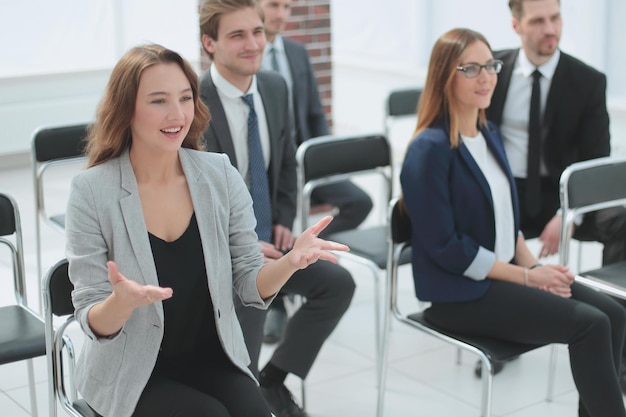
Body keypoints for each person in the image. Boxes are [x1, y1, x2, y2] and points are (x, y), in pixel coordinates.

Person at [64, 43, 348, 417]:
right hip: (133, 371)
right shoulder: (91, 191)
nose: (177, 113)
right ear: (126, 108)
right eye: (158, 101)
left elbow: (249, 280)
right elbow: (90, 317)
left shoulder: (218, 174)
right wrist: (121, 302)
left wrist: (291, 262)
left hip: (211, 356)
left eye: (185, 97)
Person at [400, 27, 626, 417]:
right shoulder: (428, 149)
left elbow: (508, 223)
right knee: (591, 325)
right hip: (460, 294)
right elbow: (448, 249)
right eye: (470, 68)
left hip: (501, 276)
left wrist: (536, 266)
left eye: (490, 65)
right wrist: (527, 278)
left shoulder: (488, 133)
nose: (486, 77)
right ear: (444, 76)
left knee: (616, 313)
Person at [198, 1, 356, 416]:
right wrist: (246, 245)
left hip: (272, 238)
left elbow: (285, 161)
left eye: (258, 31)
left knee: (337, 285)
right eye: (238, 35)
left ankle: (274, 380)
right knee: (239, 371)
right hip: (223, 255)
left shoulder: (273, 86)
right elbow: (195, 202)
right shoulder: (193, 103)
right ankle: (250, 386)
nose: (254, 44)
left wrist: (284, 220)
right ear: (209, 43)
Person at [484, 0, 626, 379]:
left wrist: (568, 213)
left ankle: (616, 343)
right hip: (507, 190)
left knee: (622, 221)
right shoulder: (490, 71)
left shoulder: (588, 80)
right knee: (485, 226)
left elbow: (596, 158)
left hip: (562, 193)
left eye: (556, 18)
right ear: (516, 25)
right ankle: (497, 335)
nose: (550, 29)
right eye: (538, 21)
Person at [258, 0, 373, 344]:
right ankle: (276, 298)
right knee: (272, 221)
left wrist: (326, 158)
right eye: (273, 5)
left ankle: (301, 250)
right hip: (269, 168)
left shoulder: (296, 52)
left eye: (286, 7)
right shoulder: (248, 58)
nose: (281, 13)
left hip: (305, 160)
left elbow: (314, 114)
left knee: (360, 202)